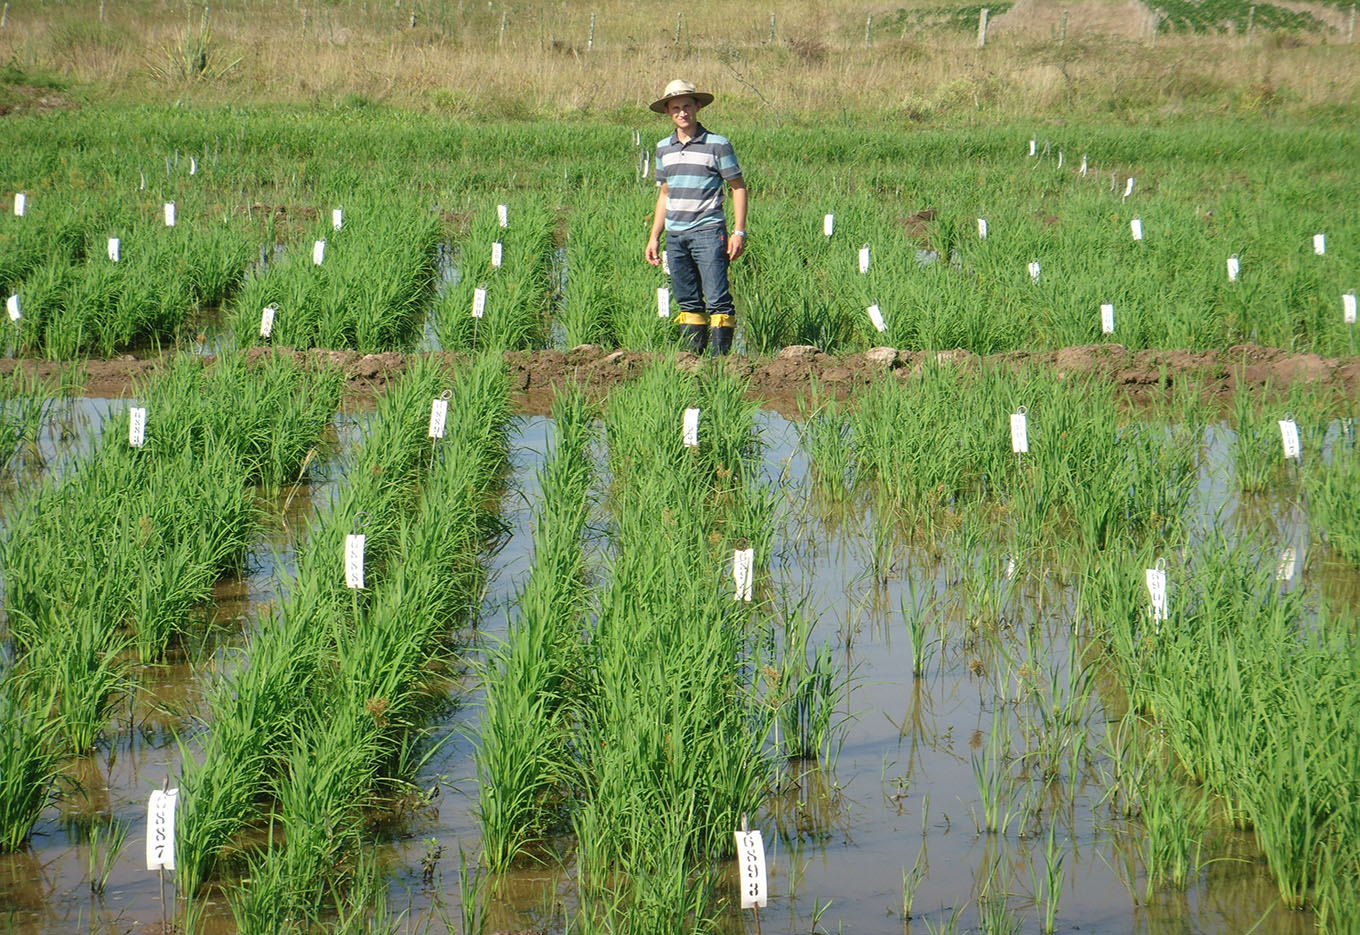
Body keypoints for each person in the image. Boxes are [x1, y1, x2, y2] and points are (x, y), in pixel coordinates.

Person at [645, 78, 747, 356]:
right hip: (676, 236)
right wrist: (654, 237)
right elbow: (665, 194)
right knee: (688, 301)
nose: (682, 113)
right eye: (675, 108)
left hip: (708, 232)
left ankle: (720, 362)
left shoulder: (718, 145)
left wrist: (739, 232)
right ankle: (692, 360)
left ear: (697, 106)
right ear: (667, 112)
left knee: (717, 298)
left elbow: (737, 187)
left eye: (687, 106)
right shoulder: (663, 148)